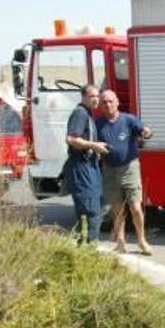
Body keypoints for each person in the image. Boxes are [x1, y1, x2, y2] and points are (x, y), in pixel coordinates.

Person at [95, 90, 154, 255]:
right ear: (101, 105)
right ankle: (120, 243)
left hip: (129, 168)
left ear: (117, 102)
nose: (107, 104)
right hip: (109, 170)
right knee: (117, 209)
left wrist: (146, 132)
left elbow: (144, 129)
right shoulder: (97, 123)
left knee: (135, 207)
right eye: (104, 102)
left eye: (110, 101)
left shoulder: (128, 119)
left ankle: (142, 241)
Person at [63, 85, 109, 244]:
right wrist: (93, 145)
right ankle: (87, 248)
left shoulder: (88, 114)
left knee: (98, 206)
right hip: (81, 166)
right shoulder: (80, 113)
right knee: (90, 211)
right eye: (92, 96)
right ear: (83, 97)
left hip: (91, 166)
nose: (96, 99)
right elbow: (71, 139)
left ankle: (86, 246)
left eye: (97, 96)